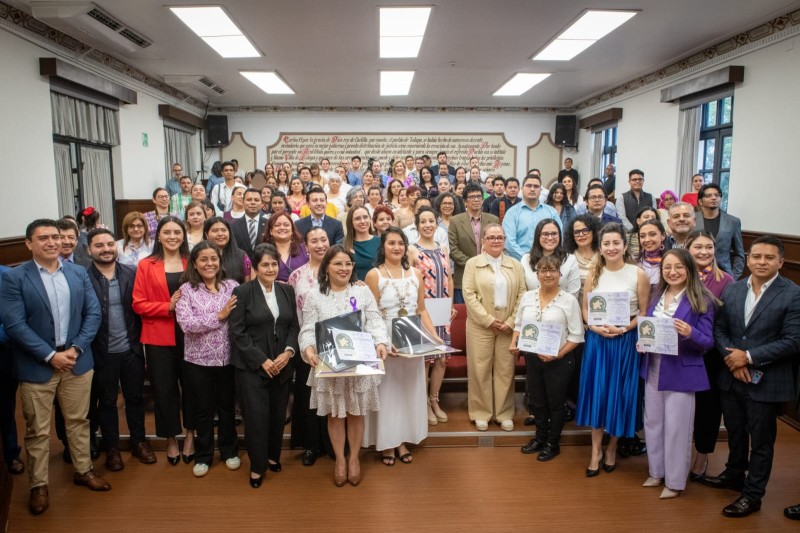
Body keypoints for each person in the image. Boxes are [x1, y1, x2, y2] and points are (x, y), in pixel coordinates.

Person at [0, 219, 107, 515]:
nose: (52, 242)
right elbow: (15, 325)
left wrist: (76, 349)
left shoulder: (77, 272)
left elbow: (93, 313)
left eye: (56, 237)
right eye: (43, 238)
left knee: (79, 421)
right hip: (37, 366)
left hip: (76, 361)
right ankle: (39, 485)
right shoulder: (15, 277)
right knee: (37, 430)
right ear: (28, 244)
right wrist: (50, 356)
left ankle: (83, 470)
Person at [699, 236, 800, 518]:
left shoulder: (793, 294)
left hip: (766, 381)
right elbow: (719, 329)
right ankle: (733, 474)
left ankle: (753, 495)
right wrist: (733, 359)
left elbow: (793, 340)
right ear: (748, 259)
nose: (761, 262)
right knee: (735, 430)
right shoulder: (733, 288)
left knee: (762, 440)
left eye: (769, 257)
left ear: (781, 261)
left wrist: (749, 357)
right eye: (756, 256)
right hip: (731, 375)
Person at [300, 245, 390, 486]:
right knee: (334, 415)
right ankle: (340, 459)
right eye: (338, 263)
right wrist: (308, 348)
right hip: (330, 364)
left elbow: (374, 321)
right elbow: (307, 328)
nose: (344, 268)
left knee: (356, 413)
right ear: (326, 267)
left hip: (359, 363)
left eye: (348, 264)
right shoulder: (315, 295)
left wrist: (381, 342)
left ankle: (354, 458)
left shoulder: (362, 291)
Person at [639, 249, 715, 499]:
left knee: (677, 428)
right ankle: (656, 471)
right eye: (667, 267)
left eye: (679, 267)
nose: (672, 272)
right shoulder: (656, 294)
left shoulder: (702, 299)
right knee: (653, 422)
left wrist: (690, 332)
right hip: (654, 366)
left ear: (689, 269)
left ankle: (674, 481)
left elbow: (707, 342)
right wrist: (643, 342)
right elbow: (649, 328)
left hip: (682, 370)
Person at [576, 223, 651, 477]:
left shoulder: (638, 274)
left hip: (624, 341)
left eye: (616, 243)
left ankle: (612, 448)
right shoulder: (594, 274)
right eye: (606, 243)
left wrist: (624, 329)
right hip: (598, 342)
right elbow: (585, 308)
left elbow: (643, 313)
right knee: (597, 393)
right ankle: (595, 450)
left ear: (624, 245)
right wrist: (593, 326)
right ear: (600, 247)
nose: (611, 248)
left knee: (620, 394)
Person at [364, 228, 440, 464]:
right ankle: (387, 442)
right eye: (391, 243)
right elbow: (370, 314)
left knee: (408, 390)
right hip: (385, 341)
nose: (396, 247)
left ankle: (402, 439)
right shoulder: (374, 275)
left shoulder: (416, 273)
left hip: (412, 339)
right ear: (383, 247)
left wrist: (434, 336)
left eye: (400, 243)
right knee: (388, 392)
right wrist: (384, 342)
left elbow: (421, 309)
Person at [85, 228, 156, 471]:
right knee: (107, 402)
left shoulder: (131, 273)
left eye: (109, 244)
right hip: (101, 352)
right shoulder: (83, 278)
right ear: (89, 250)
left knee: (134, 399)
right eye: (99, 245)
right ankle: (112, 448)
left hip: (131, 349)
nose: (106, 249)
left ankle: (139, 442)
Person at [229, 244, 299, 488]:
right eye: (265, 264)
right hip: (252, 367)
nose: (270, 269)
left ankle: (272, 457)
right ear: (256, 267)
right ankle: (257, 467)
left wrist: (288, 352)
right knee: (256, 419)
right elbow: (237, 332)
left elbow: (294, 326)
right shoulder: (242, 291)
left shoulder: (287, 290)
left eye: (274, 264)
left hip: (282, 365)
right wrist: (261, 360)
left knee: (278, 416)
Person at [132, 216, 195, 466]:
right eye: (167, 232)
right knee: (164, 389)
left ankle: (190, 435)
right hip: (158, 336)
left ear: (183, 235)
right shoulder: (146, 265)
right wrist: (167, 306)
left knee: (192, 387)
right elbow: (138, 303)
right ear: (158, 236)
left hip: (191, 335)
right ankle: (171, 438)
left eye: (177, 232)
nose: (172, 236)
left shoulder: (192, 261)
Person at [174, 241, 240, 478]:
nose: (209, 263)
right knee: (203, 410)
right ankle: (203, 456)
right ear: (194, 263)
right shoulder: (186, 290)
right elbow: (187, 324)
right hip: (198, 361)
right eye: (203, 259)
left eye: (214, 259)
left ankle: (229, 451)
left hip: (228, 359)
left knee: (227, 408)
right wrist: (219, 315)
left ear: (220, 262)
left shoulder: (232, 286)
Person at [511, 255, 584, 461]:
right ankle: (540, 437)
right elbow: (519, 325)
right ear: (537, 275)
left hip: (560, 360)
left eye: (552, 270)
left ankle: (553, 443)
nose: (548, 274)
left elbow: (577, 335)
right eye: (543, 270)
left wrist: (558, 354)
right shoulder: (528, 297)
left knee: (556, 403)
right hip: (533, 358)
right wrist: (514, 342)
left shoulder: (569, 300)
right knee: (537, 401)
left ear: (560, 274)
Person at [463, 224, 526, 431]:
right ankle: (481, 412)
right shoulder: (472, 264)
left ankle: (504, 413)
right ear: (483, 241)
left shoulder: (515, 265)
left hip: (507, 325)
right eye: (491, 237)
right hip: (480, 325)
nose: (496, 240)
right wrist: (488, 320)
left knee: (505, 370)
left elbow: (522, 295)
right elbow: (469, 295)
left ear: (505, 240)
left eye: (500, 237)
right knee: (479, 369)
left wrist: (511, 322)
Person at [686, 230, 734, 481]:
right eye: (698, 247)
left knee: (708, 407)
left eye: (708, 247)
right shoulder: (679, 275)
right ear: (688, 249)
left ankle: (702, 455)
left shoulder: (726, 280)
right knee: (684, 406)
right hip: (683, 350)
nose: (704, 252)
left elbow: (729, 322)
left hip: (711, 354)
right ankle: (680, 453)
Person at [288, 228, 332, 465]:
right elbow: (292, 312)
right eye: (314, 240)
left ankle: (332, 442)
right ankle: (311, 445)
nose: (319, 244)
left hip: (334, 343)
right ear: (306, 246)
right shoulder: (296, 276)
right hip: (307, 344)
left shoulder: (339, 270)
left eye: (323, 239)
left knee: (333, 393)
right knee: (308, 395)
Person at [408, 207, 455, 426]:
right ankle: (423, 404)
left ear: (436, 224)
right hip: (423, 310)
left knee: (441, 359)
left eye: (431, 221)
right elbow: (409, 281)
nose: (428, 225)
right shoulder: (412, 249)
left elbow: (450, 278)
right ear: (417, 225)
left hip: (441, 308)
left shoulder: (442, 248)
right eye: (423, 221)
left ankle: (434, 400)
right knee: (426, 360)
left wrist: (450, 304)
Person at [448, 184, 500, 305]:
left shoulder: (493, 220)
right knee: (464, 312)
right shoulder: (455, 221)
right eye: (472, 197)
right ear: (465, 201)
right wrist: (474, 264)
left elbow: (498, 245)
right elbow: (454, 250)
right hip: (464, 276)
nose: (476, 200)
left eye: (479, 196)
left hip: (489, 275)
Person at [0, 263, 24, 476]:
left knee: (5, 406)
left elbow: (15, 316)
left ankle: (11, 454)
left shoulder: (7, 275)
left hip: (3, 351)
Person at [503, 175, 562, 260]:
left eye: (536, 186)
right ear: (522, 189)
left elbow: (559, 237)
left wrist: (546, 260)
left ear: (540, 190)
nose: (532, 189)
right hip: (520, 262)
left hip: (549, 262)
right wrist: (527, 259)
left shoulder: (551, 212)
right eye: (529, 186)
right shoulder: (512, 213)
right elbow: (509, 242)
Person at [695, 183, 745, 279]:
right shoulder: (692, 219)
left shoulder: (733, 221)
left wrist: (733, 277)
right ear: (700, 201)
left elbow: (739, 254)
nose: (714, 198)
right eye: (708, 196)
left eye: (717, 195)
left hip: (723, 273)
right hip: (696, 273)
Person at [521, 218, 581, 298]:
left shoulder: (570, 260)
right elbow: (522, 292)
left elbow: (573, 294)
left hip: (563, 305)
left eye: (554, 234)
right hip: (531, 304)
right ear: (537, 236)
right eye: (545, 234)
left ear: (559, 236)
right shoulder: (526, 259)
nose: (550, 238)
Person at [262, 211, 308, 282]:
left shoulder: (305, 249)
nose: (282, 228)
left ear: (292, 230)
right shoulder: (263, 251)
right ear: (271, 231)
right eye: (277, 225)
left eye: (286, 225)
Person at [204, 217, 252, 284]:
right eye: (215, 231)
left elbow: (248, 284)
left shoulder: (242, 256)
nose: (220, 234)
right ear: (207, 235)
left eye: (223, 230)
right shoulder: (200, 256)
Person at [231, 188, 269, 261]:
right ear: (243, 202)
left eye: (256, 200)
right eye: (249, 200)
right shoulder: (233, 226)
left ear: (262, 204)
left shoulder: (269, 225)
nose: (253, 202)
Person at [344, 206, 380, 281]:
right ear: (351, 222)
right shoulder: (342, 245)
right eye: (357, 219)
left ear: (370, 219)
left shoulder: (381, 242)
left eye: (365, 217)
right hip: (352, 286)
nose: (363, 221)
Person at [637, 219, 668, 289]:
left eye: (652, 234)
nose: (647, 240)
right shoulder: (634, 263)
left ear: (663, 236)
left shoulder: (671, 262)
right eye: (642, 236)